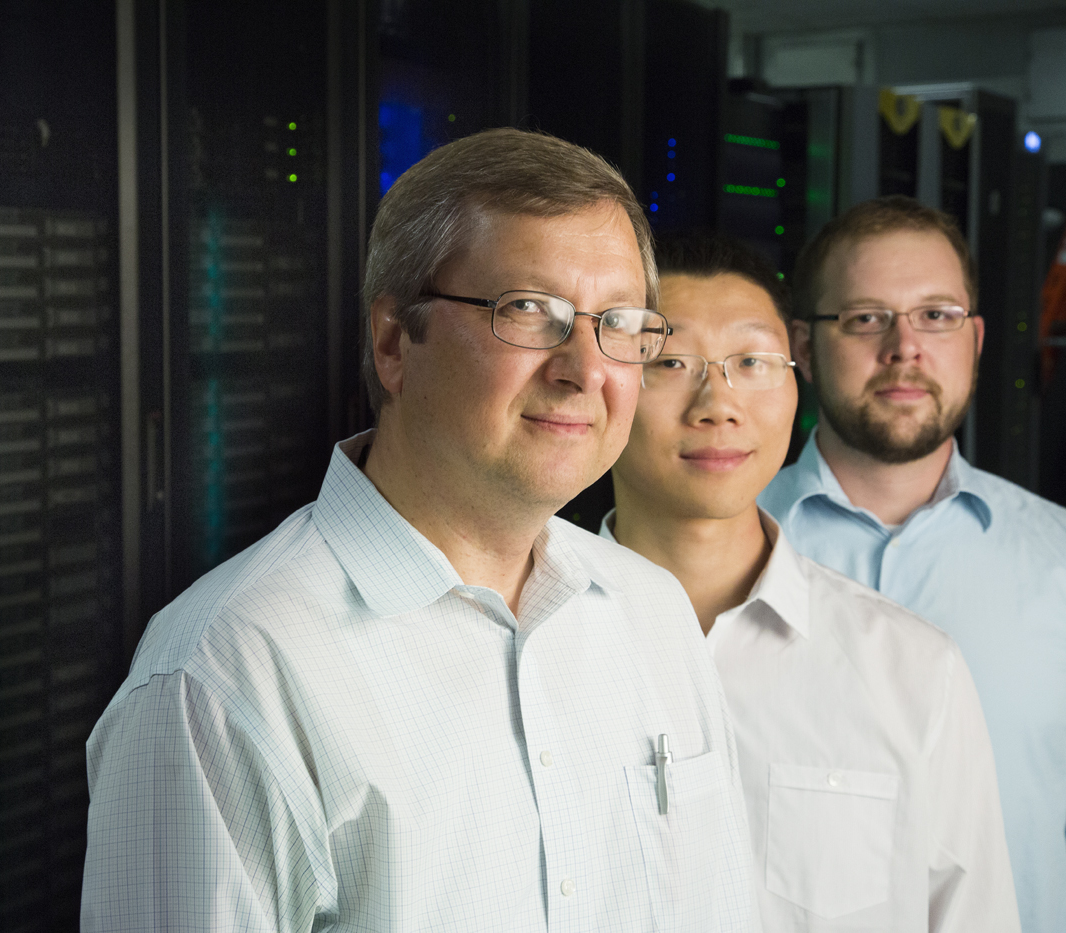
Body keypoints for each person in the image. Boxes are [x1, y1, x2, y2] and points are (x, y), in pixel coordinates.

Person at [81, 130, 758, 932]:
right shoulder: (224, 674)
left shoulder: (651, 610)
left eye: (618, 321)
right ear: (396, 341)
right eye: (529, 312)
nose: (583, 367)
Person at [603, 230, 1018, 931]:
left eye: (754, 361)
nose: (718, 402)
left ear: (799, 383)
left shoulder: (915, 668)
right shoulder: (521, 646)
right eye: (670, 360)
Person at [759, 196, 1066, 933]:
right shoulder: (711, 550)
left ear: (977, 338)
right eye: (866, 317)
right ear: (803, 343)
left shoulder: (1058, 560)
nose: (905, 347)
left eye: (937, 315)